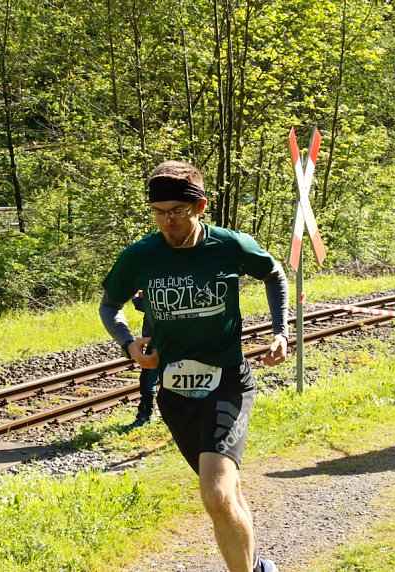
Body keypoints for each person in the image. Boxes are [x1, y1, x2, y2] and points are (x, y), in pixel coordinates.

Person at [99, 160, 289, 572]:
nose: (167, 220)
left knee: (217, 496)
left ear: (199, 206)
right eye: (159, 211)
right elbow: (110, 306)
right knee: (224, 496)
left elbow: (274, 275)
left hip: (228, 383)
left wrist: (280, 330)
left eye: (177, 211)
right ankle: (257, 566)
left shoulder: (230, 245)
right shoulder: (140, 256)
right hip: (175, 393)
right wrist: (129, 343)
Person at [130, 291, 159, 426]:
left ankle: (145, 416)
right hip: (162, 343)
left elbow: (142, 304)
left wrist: (134, 295)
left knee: (148, 381)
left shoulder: (157, 297)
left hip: (157, 345)